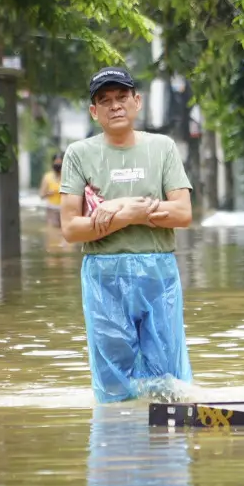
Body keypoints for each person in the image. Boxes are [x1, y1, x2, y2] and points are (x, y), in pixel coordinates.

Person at [59, 67, 194, 403]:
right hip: (104, 274)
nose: (115, 106)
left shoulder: (162, 148)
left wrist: (122, 208)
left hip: (157, 273)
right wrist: (129, 215)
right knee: (112, 381)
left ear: (137, 102)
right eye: (105, 101)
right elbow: (71, 229)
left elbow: (183, 213)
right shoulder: (78, 154)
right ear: (94, 112)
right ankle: (118, 448)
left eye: (122, 98)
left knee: (168, 376)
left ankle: (165, 451)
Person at [39, 153, 64, 227]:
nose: (58, 165)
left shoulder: (67, 177)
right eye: (56, 163)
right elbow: (41, 195)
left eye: (60, 163)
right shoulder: (47, 177)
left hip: (64, 209)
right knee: (52, 231)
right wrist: (48, 193)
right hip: (51, 209)